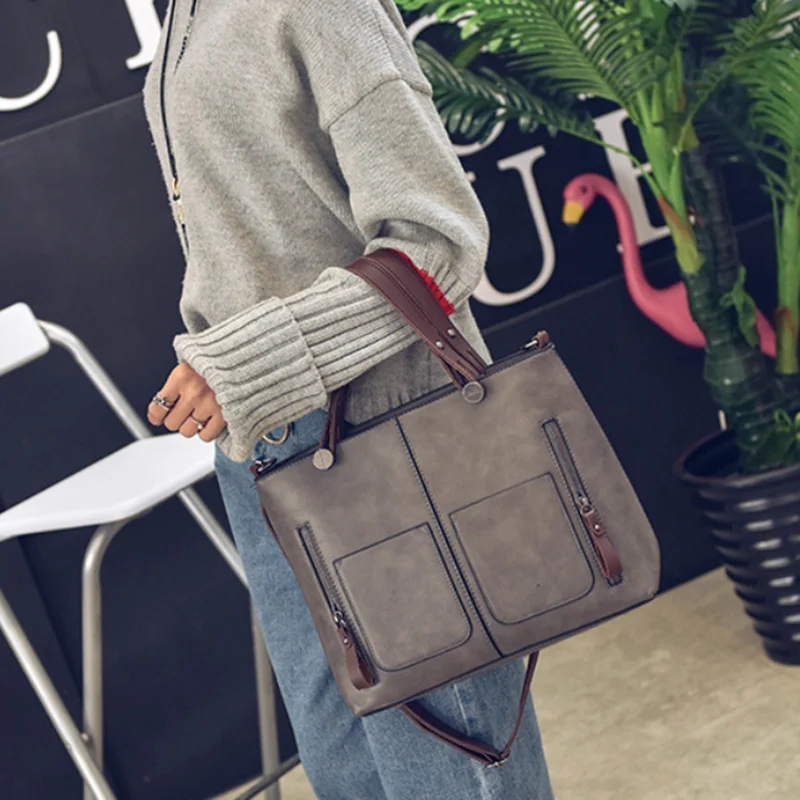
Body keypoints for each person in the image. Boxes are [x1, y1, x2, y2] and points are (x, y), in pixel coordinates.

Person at [142, 1, 553, 798]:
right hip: (261, 449)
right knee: (349, 773)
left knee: (450, 771)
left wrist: (245, 361)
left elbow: (437, 244)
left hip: (379, 430)